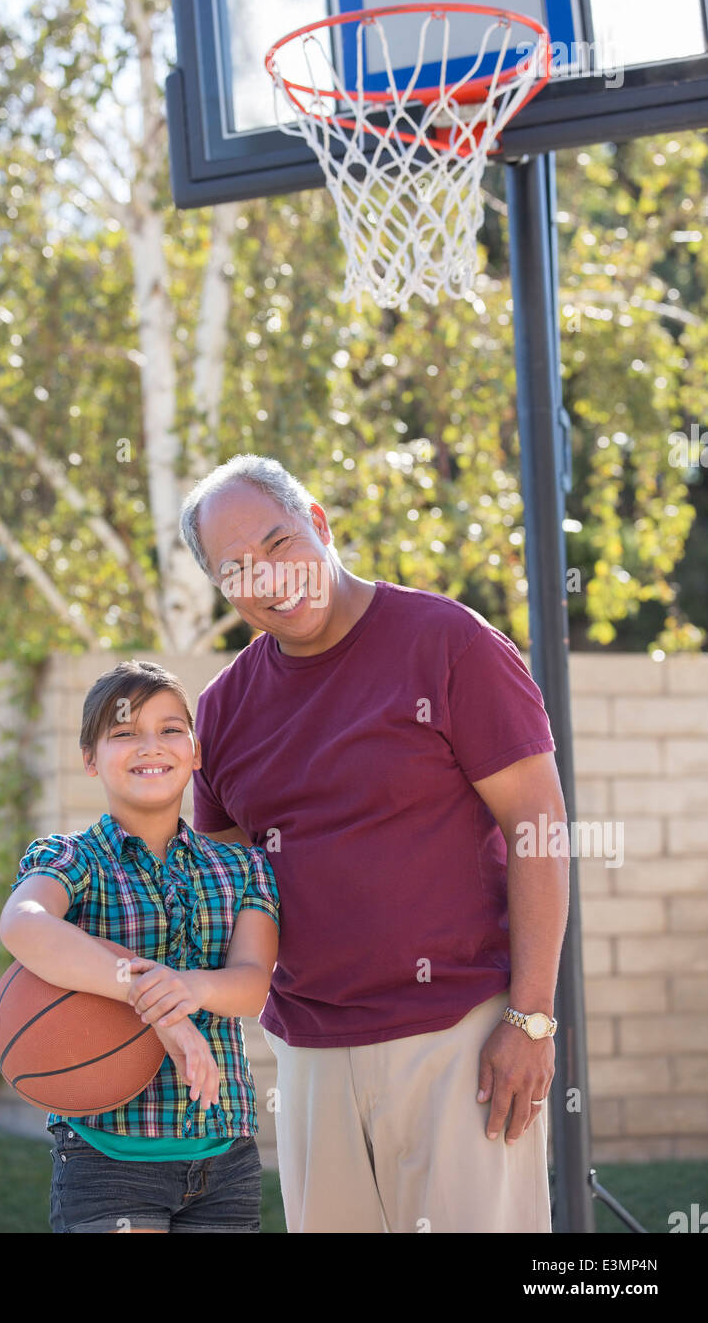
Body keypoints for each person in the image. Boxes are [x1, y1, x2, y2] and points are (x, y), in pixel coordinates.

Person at [179, 453, 570, 1234]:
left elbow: (539, 826)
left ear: (318, 524)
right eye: (236, 569)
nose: (268, 578)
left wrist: (530, 1019)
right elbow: (222, 890)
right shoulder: (223, 711)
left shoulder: (449, 642)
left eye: (279, 543)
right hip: (310, 1055)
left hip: (460, 1039)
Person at [0, 658, 280, 1234]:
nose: (151, 745)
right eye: (124, 733)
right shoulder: (73, 859)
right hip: (108, 1158)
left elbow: (253, 985)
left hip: (226, 1155)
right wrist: (155, 1006)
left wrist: (185, 988)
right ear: (89, 759)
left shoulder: (241, 866)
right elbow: (24, 924)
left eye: (171, 729)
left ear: (195, 751)